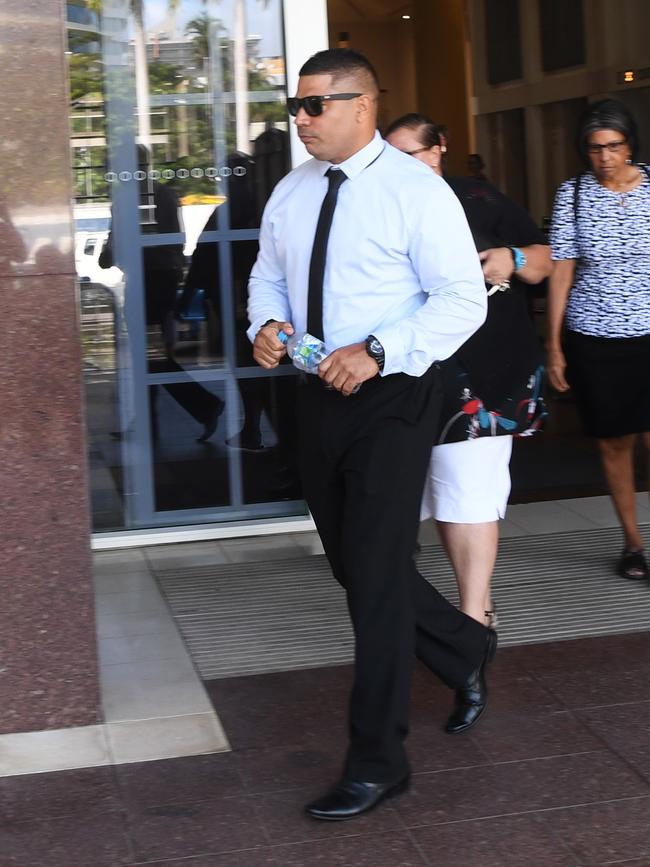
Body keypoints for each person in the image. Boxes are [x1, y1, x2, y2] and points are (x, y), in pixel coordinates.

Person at [248, 48, 493, 822]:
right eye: (297, 106)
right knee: (355, 566)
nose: (302, 120)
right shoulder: (290, 190)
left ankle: (379, 760)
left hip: (397, 394)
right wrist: (266, 322)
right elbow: (268, 273)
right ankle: (462, 645)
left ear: (363, 106)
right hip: (319, 394)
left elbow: (463, 301)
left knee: (379, 576)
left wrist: (381, 350)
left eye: (316, 106)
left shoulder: (415, 191)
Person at [385, 113, 551, 733]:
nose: (406, 166)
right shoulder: (381, 207)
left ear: (441, 149)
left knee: (466, 500)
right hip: (403, 377)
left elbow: (541, 258)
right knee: (396, 511)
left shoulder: (477, 197)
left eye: (416, 154)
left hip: (482, 378)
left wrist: (508, 257)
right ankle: (430, 629)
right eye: (393, 156)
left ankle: (473, 630)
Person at [548, 98, 650, 580]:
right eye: (594, 149)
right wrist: (553, 346)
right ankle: (633, 544)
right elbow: (562, 272)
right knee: (614, 442)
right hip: (596, 336)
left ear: (631, 144)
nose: (605, 157)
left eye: (614, 146)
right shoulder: (572, 195)